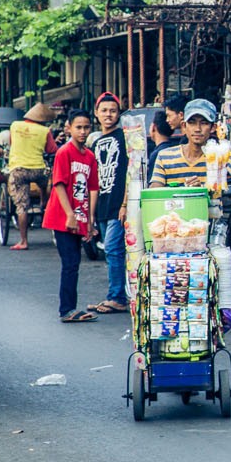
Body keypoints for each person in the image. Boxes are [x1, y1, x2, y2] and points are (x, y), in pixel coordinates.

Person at [44, 109, 99, 322]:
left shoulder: (90, 156)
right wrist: (70, 215)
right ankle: (67, 309)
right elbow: (58, 184)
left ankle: (70, 308)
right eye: (78, 127)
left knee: (74, 263)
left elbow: (93, 188)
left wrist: (90, 219)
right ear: (69, 128)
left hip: (79, 217)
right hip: (62, 217)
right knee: (70, 262)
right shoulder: (64, 152)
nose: (83, 131)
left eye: (86, 127)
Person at [87, 93, 130, 314]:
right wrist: (90, 212)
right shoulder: (95, 142)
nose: (108, 114)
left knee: (113, 249)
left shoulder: (125, 138)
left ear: (119, 113)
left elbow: (131, 173)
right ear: (96, 113)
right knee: (111, 251)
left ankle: (117, 298)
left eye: (113, 110)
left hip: (118, 205)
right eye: (104, 110)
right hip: (102, 204)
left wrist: (125, 204)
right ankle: (114, 295)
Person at [7, 102, 58, 250]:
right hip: (38, 169)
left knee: (22, 207)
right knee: (45, 183)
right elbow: (51, 149)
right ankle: (43, 201)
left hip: (18, 170)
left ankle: (23, 241)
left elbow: (12, 144)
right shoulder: (45, 130)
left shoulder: (15, 125)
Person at [149, 99, 217, 187]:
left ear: (213, 128)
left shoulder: (222, 158)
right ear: (184, 126)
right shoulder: (165, 157)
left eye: (204, 123)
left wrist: (202, 191)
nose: (197, 129)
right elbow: (155, 192)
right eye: (192, 123)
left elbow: (229, 193)